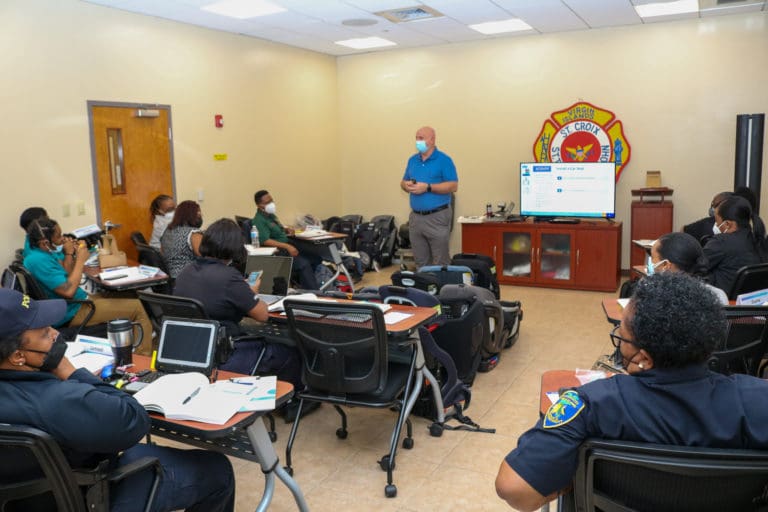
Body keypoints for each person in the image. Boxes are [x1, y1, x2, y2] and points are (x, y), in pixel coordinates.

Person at [495, 272, 768, 511]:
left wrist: (568, 486)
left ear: (645, 358)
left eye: (622, 335)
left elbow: (515, 490)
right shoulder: (758, 399)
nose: (619, 342)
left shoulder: (591, 403)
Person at [0, 288, 234, 511]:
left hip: (25, 500)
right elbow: (134, 420)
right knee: (217, 469)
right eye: (44, 334)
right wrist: (70, 371)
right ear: (18, 356)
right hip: (90, 497)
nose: (55, 333)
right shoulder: (57, 400)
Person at [173, 218, 313, 422]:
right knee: (289, 350)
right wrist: (250, 292)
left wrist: (243, 292)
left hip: (196, 350)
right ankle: (294, 403)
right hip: (229, 352)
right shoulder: (229, 277)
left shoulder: (186, 272)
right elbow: (262, 315)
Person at [23, 218, 154, 354]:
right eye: (58, 236)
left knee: (130, 294)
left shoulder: (38, 253)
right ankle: (142, 358)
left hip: (75, 303)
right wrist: (80, 259)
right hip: (74, 310)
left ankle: (130, 346)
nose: (62, 239)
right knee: (137, 308)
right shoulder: (38, 261)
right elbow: (68, 291)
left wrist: (69, 253)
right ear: (45, 242)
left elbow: (67, 276)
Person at [400, 126, 458, 268]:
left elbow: (453, 186)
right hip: (416, 218)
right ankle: (423, 289)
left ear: (432, 140)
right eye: (416, 138)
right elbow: (403, 181)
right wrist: (405, 185)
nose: (418, 141)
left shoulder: (444, 160)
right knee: (420, 262)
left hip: (437, 217)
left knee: (440, 262)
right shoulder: (412, 160)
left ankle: (442, 290)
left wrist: (428, 187)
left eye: (421, 138)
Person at [252, 190, 320, 290]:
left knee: (316, 258)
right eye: (267, 203)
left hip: (288, 245)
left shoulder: (271, 216)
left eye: (271, 200)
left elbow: (276, 228)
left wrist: (286, 229)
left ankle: (305, 285)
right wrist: (287, 246)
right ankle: (314, 294)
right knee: (303, 264)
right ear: (259, 205)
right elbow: (265, 240)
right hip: (279, 252)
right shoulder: (259, 220)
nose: (271, 204)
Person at [703, 195, 765, 294]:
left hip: (725, 305)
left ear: (728, 224)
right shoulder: (758, 240)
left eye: (717, 222)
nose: (716, 226)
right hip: (753, 305)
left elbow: (695, 267)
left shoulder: (721, 242)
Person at [648, 232, 728, 304]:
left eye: (652, 257)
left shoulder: (653, 297)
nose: (651, 262)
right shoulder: (718, 296)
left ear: (666, 265)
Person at [160, 200, 203, 278]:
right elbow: (205, 257)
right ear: (191, 215)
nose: (201, 215)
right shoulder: (193, 233)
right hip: (190, 278)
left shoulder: (168, 230)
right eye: (198, 212)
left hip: (171, 276)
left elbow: (162, 251)